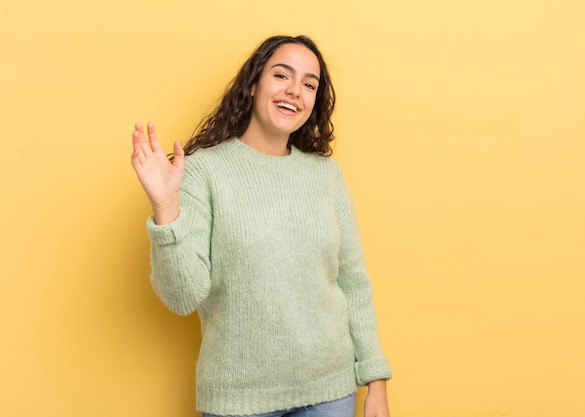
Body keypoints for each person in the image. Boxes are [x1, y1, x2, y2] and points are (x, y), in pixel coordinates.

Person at [131, 35, 392, 417]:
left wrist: (376, 383)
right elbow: (184, 297)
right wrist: (166, 207)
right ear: (253, 85)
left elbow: (354, 283)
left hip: (330, 393)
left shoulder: (326, 175)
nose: (294, 91)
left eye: (309, 84)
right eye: (281, 75)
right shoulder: (203, 171)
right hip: (239, 402)